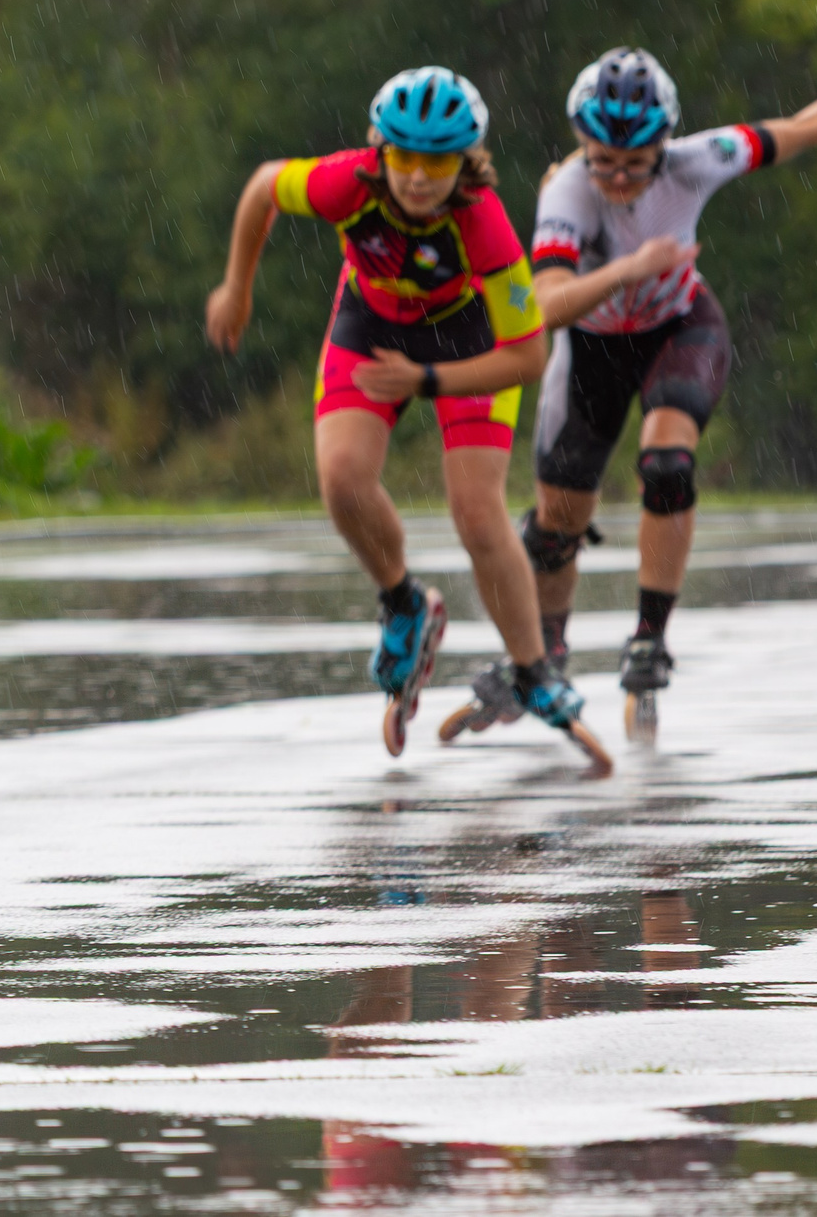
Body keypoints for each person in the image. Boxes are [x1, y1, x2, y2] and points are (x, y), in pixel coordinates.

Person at [495, 38, 817, 736]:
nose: (618, 178)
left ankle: (649, 637)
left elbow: (810, 125)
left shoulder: (697, 161)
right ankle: (547, 652)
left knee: (668, 464)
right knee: (555, 528)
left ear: (665, 148)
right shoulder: (566, 191)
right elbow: (544, 307)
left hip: (678, 326)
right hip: (589, 348)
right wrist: (630, 268)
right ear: (582, 145)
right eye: (604, 162)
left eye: (636, 165)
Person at [204, 67, 596, 761]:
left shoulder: (486, 227)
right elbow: (265, 185)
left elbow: (529, 357)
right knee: (343, 480)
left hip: (468, 342)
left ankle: (535, 672)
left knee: (477, 514)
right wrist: (237, 286)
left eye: (437, 161)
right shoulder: (346, 183)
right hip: (372, 321)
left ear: (466, 162)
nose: (417, 177)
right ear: (380, 150)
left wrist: (426, 380)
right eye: (404, 158)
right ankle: (405, 603)